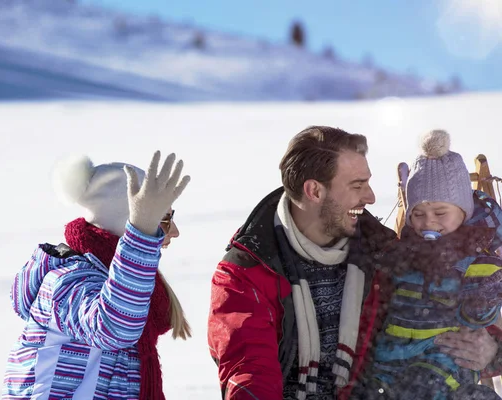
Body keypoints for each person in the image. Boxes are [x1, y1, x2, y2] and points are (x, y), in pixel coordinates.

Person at [206, 126, 502, 400]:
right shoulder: (250, 272)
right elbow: (248, 369)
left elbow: (447, 312)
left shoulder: (383, 252)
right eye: (358, 185)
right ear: (315, 192)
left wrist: (492, 350)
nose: (372, 197)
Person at [3, 151, 191, 400]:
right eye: (164, 218)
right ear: (128, 223)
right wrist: (142, 234)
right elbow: (114, 326)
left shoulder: (114, 281)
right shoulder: (67, 282)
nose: (174, 232)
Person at [354, 130, 502, 400]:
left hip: (443, 354)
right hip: (394, 351)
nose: (429, 222)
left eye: (440, 213)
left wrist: (486, 296)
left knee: (423, 389)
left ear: (464, 211)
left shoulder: (477, 258)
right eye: (418, 214)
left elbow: (475, 319)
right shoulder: (404, 250)